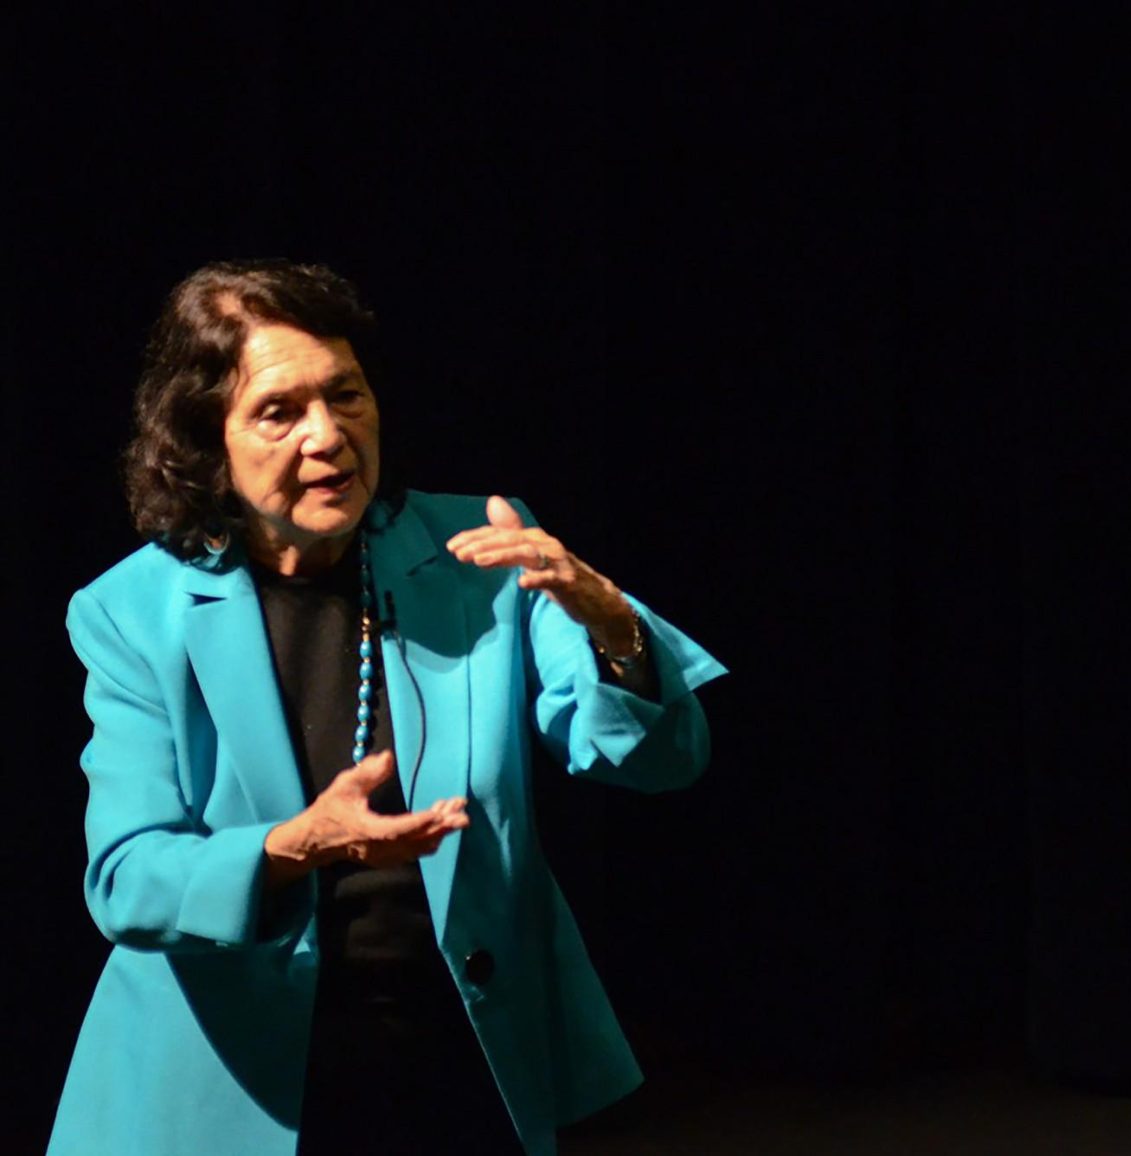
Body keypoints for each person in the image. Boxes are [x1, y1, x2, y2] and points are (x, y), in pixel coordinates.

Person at [48, 259, 726, 1156]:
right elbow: (128, 879)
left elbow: (659, 762)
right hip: (238, 1088)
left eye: (347, 396)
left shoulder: (477, 553)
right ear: (208, 440)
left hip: (458, 1062)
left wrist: (614, 626)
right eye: (279, 412)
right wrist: (296, 846)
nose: (328, 436)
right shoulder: (134, 612)